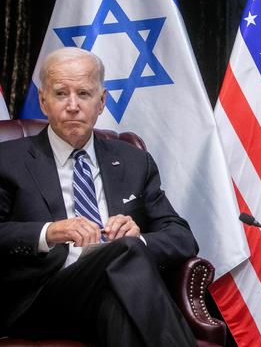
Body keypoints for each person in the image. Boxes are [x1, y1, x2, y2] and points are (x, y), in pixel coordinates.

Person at [0, 47, 198, 346]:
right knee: (125, 253)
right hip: (41, 297)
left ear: (102, 101)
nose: (72, 105)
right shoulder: (7, 159)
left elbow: (182, 237)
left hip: (112, 290)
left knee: (116, 298)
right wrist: (49, 231)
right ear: (43, 101)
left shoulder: (134, 160)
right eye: (60, 94)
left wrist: (139, 238)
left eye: (83, 93)